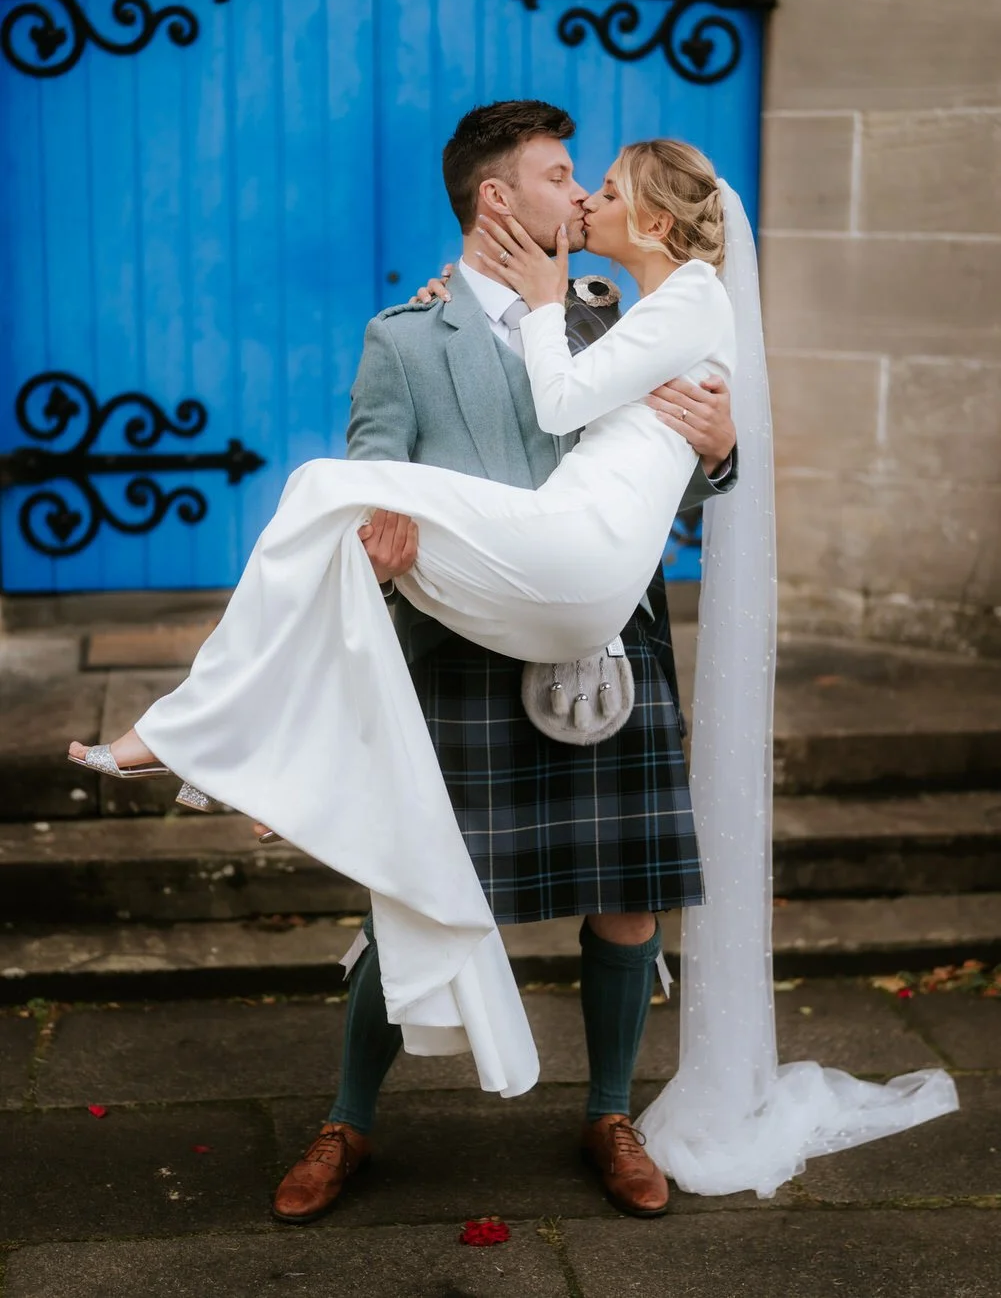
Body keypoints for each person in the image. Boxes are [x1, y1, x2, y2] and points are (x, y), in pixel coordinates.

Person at [70, 110, 738, 1221]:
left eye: (585, 179)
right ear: (495, 200)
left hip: (606, 642)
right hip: (463, 651)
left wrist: (718, 454)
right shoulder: (404, 337)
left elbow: (673, 463)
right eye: (557, 176)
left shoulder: (608, 311)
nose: (577, 196)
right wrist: (380, 534)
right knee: (409, 891)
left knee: (627, 900)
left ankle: (609, 1113)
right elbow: (378, 468)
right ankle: (349, 1120)